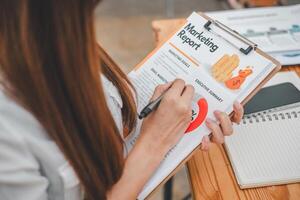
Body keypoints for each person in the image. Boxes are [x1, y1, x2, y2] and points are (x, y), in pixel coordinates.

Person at [0, 1, 244, 200]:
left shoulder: (53, 34)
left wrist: (177, 130)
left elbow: (107, 140)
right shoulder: (7, 132)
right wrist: (154, 143)